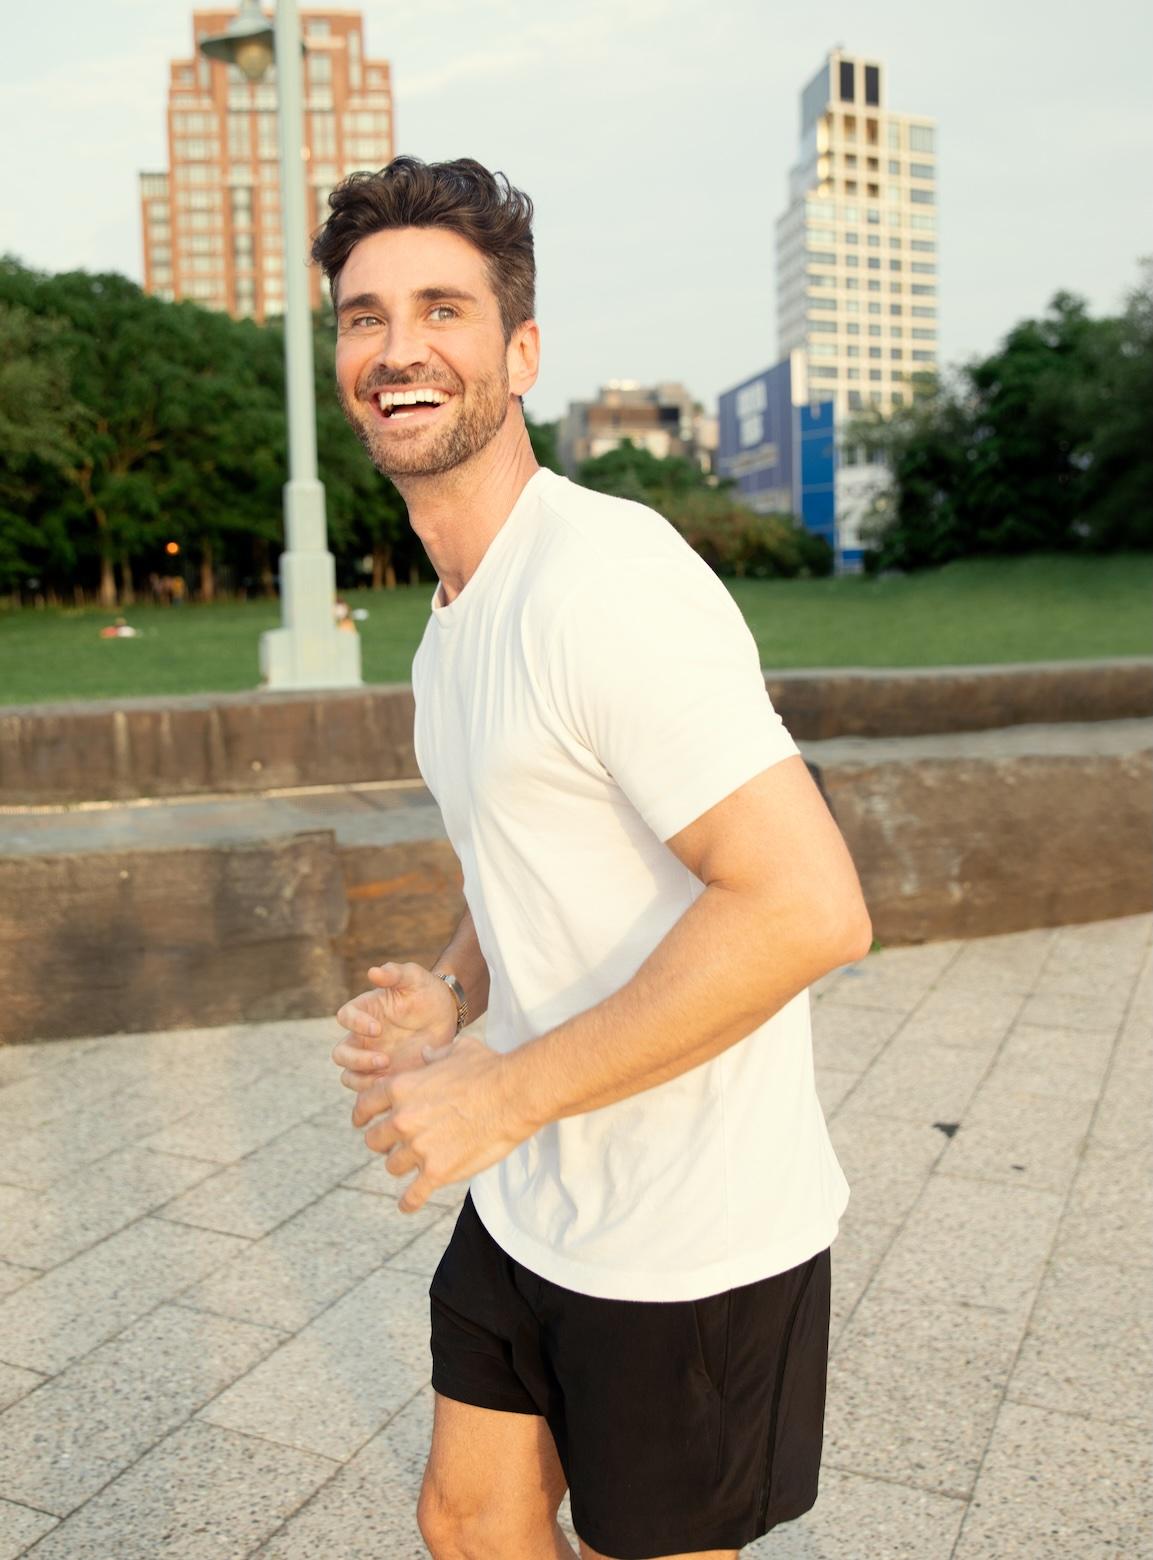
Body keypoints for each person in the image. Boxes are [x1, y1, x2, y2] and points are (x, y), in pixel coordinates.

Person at [320, 157, 871, 1560]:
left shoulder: (604, 583)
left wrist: (498, 1093)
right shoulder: (454, 619)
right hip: (536, 1192)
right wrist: (455, 995)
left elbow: (808, 907)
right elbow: (522, 849)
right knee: (469, 1520)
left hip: (688, 1229)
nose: (398, 348)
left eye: (442, 310)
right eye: (365, 316)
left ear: (521, 354)